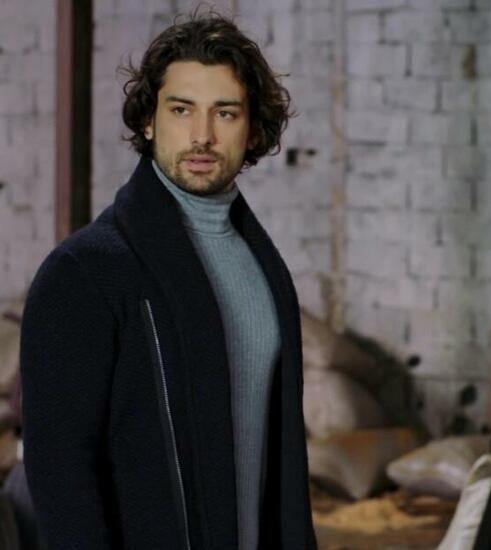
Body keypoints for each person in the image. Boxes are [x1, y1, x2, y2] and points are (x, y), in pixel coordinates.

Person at [20, 12, 316, 549]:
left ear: (252, 129)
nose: (202, 136)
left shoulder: (262, 266)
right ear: (149, 122)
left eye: (225, 113)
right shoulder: (84, 272)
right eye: (181, 110)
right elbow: (60, 471)